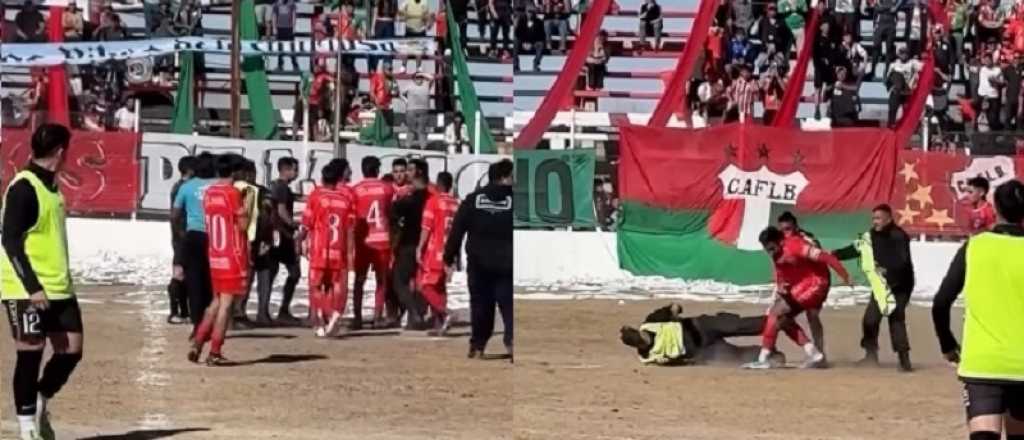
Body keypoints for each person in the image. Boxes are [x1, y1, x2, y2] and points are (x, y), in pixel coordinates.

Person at [1, 124, 83, 440]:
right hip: (25, 288)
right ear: (62, 151)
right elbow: (10, 241)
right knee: (30, 351)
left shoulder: (51, 186)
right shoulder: (24, 187)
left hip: (59, 286)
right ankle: (26, 428)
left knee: (71, 350)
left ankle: (39, 400)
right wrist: (32, 286)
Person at [932, 180, 1024, 440]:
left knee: (984, 436)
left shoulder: (975, 247)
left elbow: (941, 302)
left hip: (983, 364)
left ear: (995, 208)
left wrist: (947, 345)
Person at [744, 226, 851, 369]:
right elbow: (780, 273)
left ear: (780, 241)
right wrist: (781, 286)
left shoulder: (796, 246)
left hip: (817, 283)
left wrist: (844, 275)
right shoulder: (776, 254)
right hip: (801, 285)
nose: (769, 253)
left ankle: (765, 358)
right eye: (766, 249)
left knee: (776, 313)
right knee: (781, 319)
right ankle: (813, 353)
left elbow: (826, 257)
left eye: (771, 248)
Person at [444, 160, 514, 361]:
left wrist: (449, 256)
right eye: (512, 176)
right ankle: (511, 342)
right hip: (506, 265)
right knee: (508, 306)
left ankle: (477, 345)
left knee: (480, 306)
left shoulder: (472, 200)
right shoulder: (516, 201)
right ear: (504, 177)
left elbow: (457, 230)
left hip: (478, 263)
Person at [833, 204, 915, 372]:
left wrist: (888, 269)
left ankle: (904, 358)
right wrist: (833, 255)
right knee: (870, 320)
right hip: (882, 285)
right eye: (873, 218)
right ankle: (871, 356)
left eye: (878, 218)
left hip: (901, 285)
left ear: (889, 219)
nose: (874, 222)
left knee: (895, 318)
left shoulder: (899, 236)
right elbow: (855, 249)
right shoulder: (869, 236)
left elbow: (903, 261)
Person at [188, 155, 251, 366]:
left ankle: (197, 342)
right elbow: (243, 226)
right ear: (234, 173)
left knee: (215, 301)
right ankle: (214, 350)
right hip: (232, 254)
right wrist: (248, 205)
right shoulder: (233, 194)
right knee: (226, 305)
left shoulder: (209, 193)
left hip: (214, 253)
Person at [298, 160, 356, 338]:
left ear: (322, 179)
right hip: (338, 250)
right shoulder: (345, 199)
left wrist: (299, 241)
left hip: (319, 250)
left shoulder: (316, 196)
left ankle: (323, 319)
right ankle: (333, 314)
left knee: (316, 286)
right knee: (334, 286)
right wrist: (350, 252)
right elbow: (350, 229)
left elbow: (306, 223)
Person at [620, 303, 783, 366]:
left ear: (639, 331)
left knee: (740, 326)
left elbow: (675, 306)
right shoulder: (647, 357)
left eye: (642, 337)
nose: (644, 340)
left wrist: (674, 313)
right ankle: (773, 355)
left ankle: (780, 319)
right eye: (641, 342)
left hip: (702, 326)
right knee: (738, 357)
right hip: (703, 351)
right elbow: (676, 362)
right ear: (636, 346)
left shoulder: (652, 321)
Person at [172, 153, 216, 332]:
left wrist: (182, 234)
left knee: (195, 282)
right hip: (214, 238)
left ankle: (197, 324)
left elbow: (175, 214)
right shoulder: (218, 186)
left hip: (193, 236)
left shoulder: (186, 187)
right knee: (212, 281)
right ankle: (210, 322)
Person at [352, 156, 397, 329]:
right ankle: (377, 316)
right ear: (377, 170)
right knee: (381, 281)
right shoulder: (387, 188)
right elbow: (391, 210)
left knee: (359, 280)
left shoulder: (355, 190)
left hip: (363, 240)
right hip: (382, 238)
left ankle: (357, 317)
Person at [775, 212, 828, 358]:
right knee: (779, 316)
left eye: (788, 228)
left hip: (815, 281)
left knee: (812, 315)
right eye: (783, 229)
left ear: (796, 226)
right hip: (795, 282)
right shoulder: (779, 241)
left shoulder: (807, 239)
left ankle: (820, 352)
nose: (786, 232)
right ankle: (810, 349)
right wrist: (781, 284)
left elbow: (820, 259)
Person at [391, 159, 432, 330]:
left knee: (399, 280)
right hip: (426, 244)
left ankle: (415, 314)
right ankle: (418, 314)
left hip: (411, 243)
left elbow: (395, 209)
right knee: (419, 281)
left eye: (409, 169)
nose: (406, 173)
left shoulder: (416, 196)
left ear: (419, 172)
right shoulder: (430, 194)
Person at [417, 172, 460, 334]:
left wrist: (420, 247)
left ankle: (446, 312)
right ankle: (440, 324)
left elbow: (426, 228)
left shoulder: (433, 202)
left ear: (439, 184)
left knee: (425, 286)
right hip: (450, 252)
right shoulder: (456, 204)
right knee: (440, 287)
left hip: (435, 251)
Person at [269, 157, 302, 325]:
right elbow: (281, 210)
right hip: (284, 235)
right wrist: (293, 224)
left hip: (277, 234)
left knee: (272, 272)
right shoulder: (281, 188)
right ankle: (283, 310)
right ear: (286, 170)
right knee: (295, 273)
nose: (297, 173)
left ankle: (267, 311)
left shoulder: (276, 186)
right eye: (295, 169)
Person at [167, 156, 197, 325]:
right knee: (179, 274)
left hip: (182, 235)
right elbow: (176, 216)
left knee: (184, 273)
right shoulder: (183, 188)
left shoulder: (180, 187)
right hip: (182, 236)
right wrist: (180, 235)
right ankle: (175, 311)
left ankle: (184, 311)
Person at [403, 72, 434, 149]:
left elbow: (432, 77)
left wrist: (422, 73)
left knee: (422, 130)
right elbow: (400, 93)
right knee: (411, 130)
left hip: (424, 110)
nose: (419, 79)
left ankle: (423, 147)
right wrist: (406, 100)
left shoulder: (426, 84)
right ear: (413, 79)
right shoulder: (409, 85)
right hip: (411, 110)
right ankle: (407, 146)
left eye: (421, 77)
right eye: (417, 77)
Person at [271, 0, 299, 71]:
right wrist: (274, 28)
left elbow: (294, 15)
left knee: (291, 48)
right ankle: (280, 65)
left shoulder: (291, 3)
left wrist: (294, 27)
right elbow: (274, 16)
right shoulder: (276, 4)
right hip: (279, 28)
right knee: (280, 48)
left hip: (289, 28)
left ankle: (295, 65)